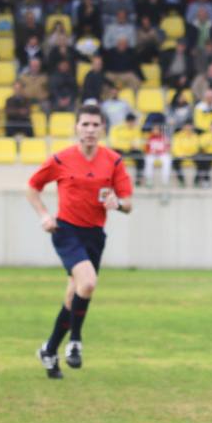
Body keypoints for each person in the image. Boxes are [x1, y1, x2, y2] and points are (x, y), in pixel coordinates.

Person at [26, 102, 133, 379]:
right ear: (76, 127)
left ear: (103, 129)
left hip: (95, 235)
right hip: (66, 231)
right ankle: (75, 341)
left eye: (95, 125)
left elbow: (129, 203)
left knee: (75, 295)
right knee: (88, 283)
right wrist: (44, 216)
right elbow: (32, 188)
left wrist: (117, 203)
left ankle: (49, 351)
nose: (89, 129)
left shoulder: (114, 161)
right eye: (85, 124)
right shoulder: (61, 159)